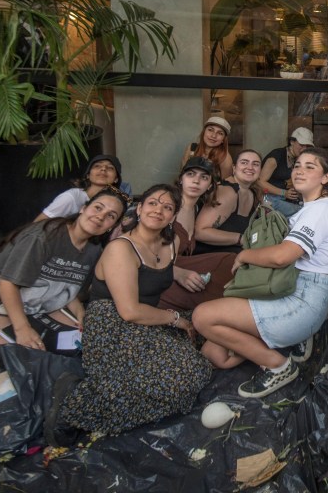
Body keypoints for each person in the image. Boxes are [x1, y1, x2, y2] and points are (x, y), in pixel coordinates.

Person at [47, 184, 212, 442]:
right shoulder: (121, 248)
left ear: (173, 216)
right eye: (153, 203)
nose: (159, 210)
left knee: (201, 348)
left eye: (168, 207)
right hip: (112, 322)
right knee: (185, 379)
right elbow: (129, 311)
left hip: (148, 317)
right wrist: (176, 320)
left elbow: (158, 283)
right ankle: (76, 404)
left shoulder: (172, 244)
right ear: (140, 207)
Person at [192, 148, 328, 398]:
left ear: (326, 177)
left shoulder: (322, 210)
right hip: (291, 290)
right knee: (215, 352)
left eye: (309, 166)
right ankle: (289, 340)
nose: (299, 171)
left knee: (202, 317)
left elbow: (282, 256)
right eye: (297, 165)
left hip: (302, 302)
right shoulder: (310, 209)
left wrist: (243, 255)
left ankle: (277, 365)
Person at [0, 188, 126, 372]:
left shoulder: (93, 251)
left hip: (39, 305)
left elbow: (68, 287)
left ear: (112, 226)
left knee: (82, 346)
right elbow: (7, 284)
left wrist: (80, 313)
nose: (101, 216)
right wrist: (23, 329)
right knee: (0, 358)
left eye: (110, 216)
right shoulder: (45, 235)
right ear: (83, 208)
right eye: (98, 208)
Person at [158, 156, 238, 311]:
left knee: (231, 261)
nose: (196, 181)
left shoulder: (196, 209)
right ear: (181, 179)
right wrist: (177, 273)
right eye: (191, 174)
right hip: (155, 274)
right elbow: (138, 250)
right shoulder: (167, 205)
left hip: (177, 269)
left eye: (204, 177)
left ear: (209, 186)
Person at [193, 149, 261, 255]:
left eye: (255, 164)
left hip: (234, 254)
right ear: (234, 168)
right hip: (210, 255)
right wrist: (241, 239)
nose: (250, 167)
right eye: (244, 162)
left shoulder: (252, 192)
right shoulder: (227, 192)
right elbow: (200, 232)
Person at [36, 155, 123, 221]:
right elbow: (38, 225)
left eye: (110, 168)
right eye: (97, 166)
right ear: (88, 175)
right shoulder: (71, 198)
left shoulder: (114, 203)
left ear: (116, 179)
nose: (103, 169)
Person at [258, 127, 315, 218]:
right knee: (302, 212)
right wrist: (283, 193)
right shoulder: (276, 156)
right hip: (268, 198)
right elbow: (260, 181)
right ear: (292, 142)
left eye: (307, 146)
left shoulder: (298, 158)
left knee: (310, 208)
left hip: (284, 198)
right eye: (301, 144)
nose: (304, 149)